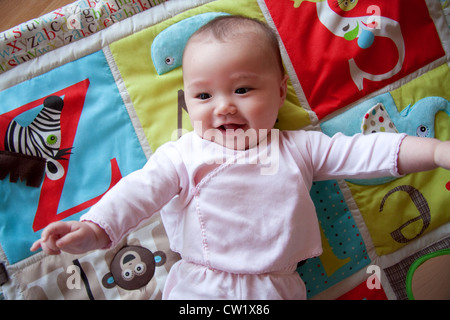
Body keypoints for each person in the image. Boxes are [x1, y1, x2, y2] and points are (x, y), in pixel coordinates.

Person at [31, 15, 450, 299]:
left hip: (279, 288)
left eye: (243, 90)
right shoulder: (183, 154)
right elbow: (138, 193)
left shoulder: (299, 147)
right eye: (203, 95)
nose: (224, 107)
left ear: (280, 92)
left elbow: (365, 151)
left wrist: (434, 150)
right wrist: (93, 228)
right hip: (202, 285)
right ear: (187, 102)